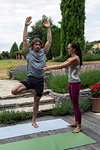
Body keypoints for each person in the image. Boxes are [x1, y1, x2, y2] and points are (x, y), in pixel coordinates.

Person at [11, 16, 52, 128]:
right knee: (14, 91)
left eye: (39, 44)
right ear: (33, 45)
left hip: (39, 81)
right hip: (30, 79)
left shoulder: (44, 52)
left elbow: (49, 41)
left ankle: (34, 120)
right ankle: (31, 90)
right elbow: (24, 40)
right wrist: (25, 26)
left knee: (36, 102)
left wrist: (48, 28)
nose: (38, 46)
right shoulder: (28, 52)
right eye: (36, 44)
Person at [41, 42, 82, 133]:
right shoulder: (71, 58)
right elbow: (62, 64)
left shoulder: (75, 59)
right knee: (74, 104)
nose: (68, 49)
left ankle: (79, 125)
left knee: (76, 105)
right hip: (71, 82)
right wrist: (48, 66)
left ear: (74, 49)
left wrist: (48, 68)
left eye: (69, 48)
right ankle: (76, 122)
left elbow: (60, 67)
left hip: (75, 83)